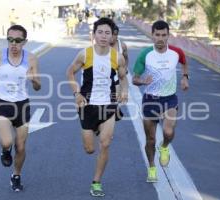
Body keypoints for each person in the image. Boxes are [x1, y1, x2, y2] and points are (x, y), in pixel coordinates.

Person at [66, 17, 128, 197]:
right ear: (94, 35)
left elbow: (123, 77)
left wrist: (124, 91)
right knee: (89, 149)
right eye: (99, 32)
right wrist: (76, 93)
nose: (103, 36)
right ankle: (98, 130)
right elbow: (70, 72)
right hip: (87, 105)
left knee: (105, 144)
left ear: (112, 36)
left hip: (109, 104)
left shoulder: (117, 57)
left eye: (107, 33)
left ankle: (96, 182)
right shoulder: (85, 54)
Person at [0, 25, 41, 191]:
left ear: (25, 42)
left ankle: (16, 175)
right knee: (7, 141)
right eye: (10, 39)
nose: (13, 44)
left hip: (22, 105)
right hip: (2, 104)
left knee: (21, 147)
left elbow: (38, 86)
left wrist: (34, 80)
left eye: (17, 40)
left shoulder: (31, 59)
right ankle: (5, 150)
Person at [132, 20, 189, 182]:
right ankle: (151, 168)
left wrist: (185, 77)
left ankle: (164, 147)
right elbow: (134, 79)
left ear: (168, 35)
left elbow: (184, 62)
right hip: (150, 100)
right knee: (150, 140)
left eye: (164, 35)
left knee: (168, 132)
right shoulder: (146, 54)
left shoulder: (176, 52)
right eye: (157, 35)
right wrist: (143, 82)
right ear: (152, 35)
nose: (160, 38)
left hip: (170, 99)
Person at [110, 24, 129, 120]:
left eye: (115, 34)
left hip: (118, 78)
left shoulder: (122, 46)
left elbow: (126, 57)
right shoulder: (101, 45)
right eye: (111, 34)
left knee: (114, 101)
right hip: (105, 79)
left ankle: (113, 113)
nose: (113, 37)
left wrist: (125, 68)